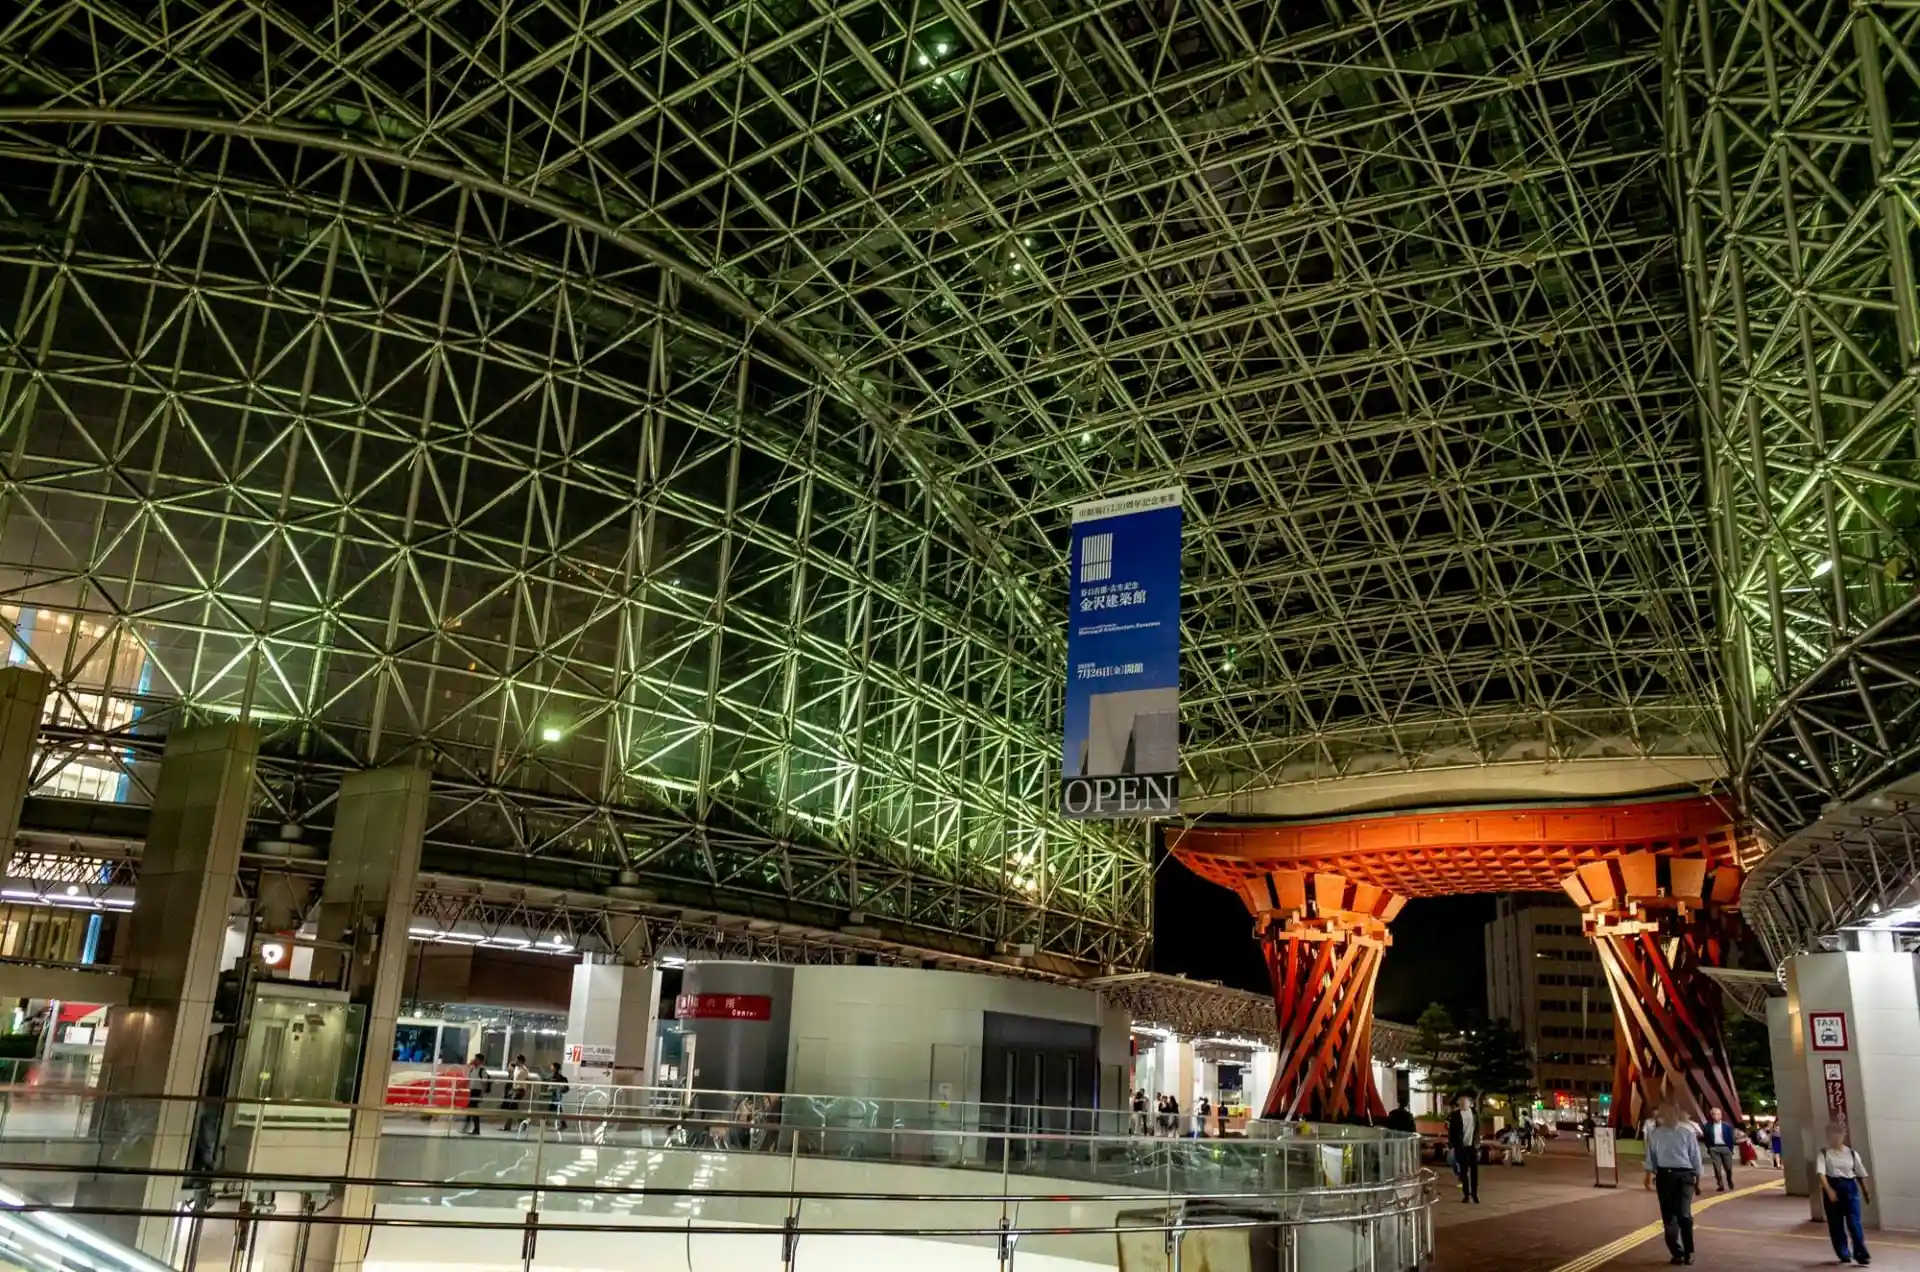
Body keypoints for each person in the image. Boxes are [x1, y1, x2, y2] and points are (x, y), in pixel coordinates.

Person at [1644, 1103, 1702, 1266]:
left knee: (1684, 1214)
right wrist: (1648, 1176)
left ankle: (1689, 1251)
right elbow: (1651, 1158)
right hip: (1664, 1176)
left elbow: (1695, 1159)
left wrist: (1698, 1181)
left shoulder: (1687, 1133)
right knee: (1669, 1216)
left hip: (1685, 1176)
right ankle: (1677, 1252)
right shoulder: (1655, 1135)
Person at [1817, 1121, 1872, 1266]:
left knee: (1855, 1223)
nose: (1836, 1138)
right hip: (1833, 1186)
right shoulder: (1824, 1153)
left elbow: (1861, 1173)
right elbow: (1821, 1174)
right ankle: (1843, 1253)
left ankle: (1861, 1253)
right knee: (1836, 1224)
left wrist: (1866, 1191)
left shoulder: (1852, 1153)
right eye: (1832, 1135)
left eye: (1839, 1135)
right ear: (1828, 1137)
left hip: (1850, 1188)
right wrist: (1828, 1190)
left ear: (1843, 1135)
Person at [1446, 1093, 1480, 1204]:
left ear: (1469, 1102)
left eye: (1465, 1100)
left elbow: (1478, 1128)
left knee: (1474, 1172)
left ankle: (1474, 1194)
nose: (1463, 1102)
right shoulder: (1455, 1115)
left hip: (1472, 1147)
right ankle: (1466, 1194)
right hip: (1460, 1147)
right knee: (1463, 1172)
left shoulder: (1474, 1113)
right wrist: (1451, 1145)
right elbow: (1451, 1132)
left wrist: (1477, 1142)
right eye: (1461, 1101)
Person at [1702, 1106, 1737, 1191]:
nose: (1716, 1116)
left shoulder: (1726, 1126)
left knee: (1728, 1168)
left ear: (1721, 1115)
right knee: (1717, 1168)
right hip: (1714, 1148)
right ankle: (1720, 1184)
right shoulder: (1708, 1126)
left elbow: (1731, 1138)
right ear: (1711, 1115)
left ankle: (1729, 1180)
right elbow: (1705, 1137)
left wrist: (1731, 1149)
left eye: (1718, 1114)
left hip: (1725, 1148)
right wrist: (1709, 1147)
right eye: (1714, 1114)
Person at [504, 1054, 532, 1133]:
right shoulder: (516, 1067)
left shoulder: (524, 1070)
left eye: (517, 1060)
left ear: (521, 1061)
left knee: (512, 1107)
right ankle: (510, 1125)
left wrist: (529, 1089)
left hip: (520, 1090)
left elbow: (527, 1080)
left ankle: (512, 1125)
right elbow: (510, 1066)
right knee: (512, 1108)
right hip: (514, 1089)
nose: (515, 1061)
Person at [462, 1054, 489, 1135]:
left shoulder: (482, 1070)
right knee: (472, 1110)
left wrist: (482, 1094)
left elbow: (485, 1083)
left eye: (475, 1059)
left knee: (472, 1110)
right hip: (472, 1091)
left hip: (477, 1092)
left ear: (480, 1060)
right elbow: (467, 1079)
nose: (474, 1060)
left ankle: (472, 1128)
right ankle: (473, 1128)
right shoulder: (472, 1069)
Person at [542, 1060, 569, 1131]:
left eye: (552, 1066)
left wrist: (552, 1087)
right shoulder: (554, 1075)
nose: (551, 1067)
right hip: (555, 1095)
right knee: (557, 1110)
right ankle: (562, 1124)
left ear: (555, 1068)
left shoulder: (557, 1076)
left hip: (556, 1096)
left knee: (554, 1109)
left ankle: (544, 1122)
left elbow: (557, 1085)